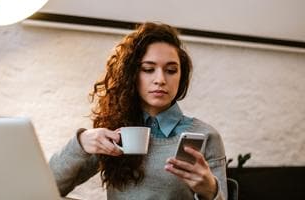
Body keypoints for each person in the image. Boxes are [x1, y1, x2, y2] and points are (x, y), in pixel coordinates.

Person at [49, 22, 227, 200]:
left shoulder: (205, 136)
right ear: (132, 74)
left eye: (171, 70)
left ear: (182, 76)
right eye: (148, 69)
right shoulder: (114, 132)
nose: (160, 79)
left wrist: (210, 191)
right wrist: (80, 143)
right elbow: (43, 188)